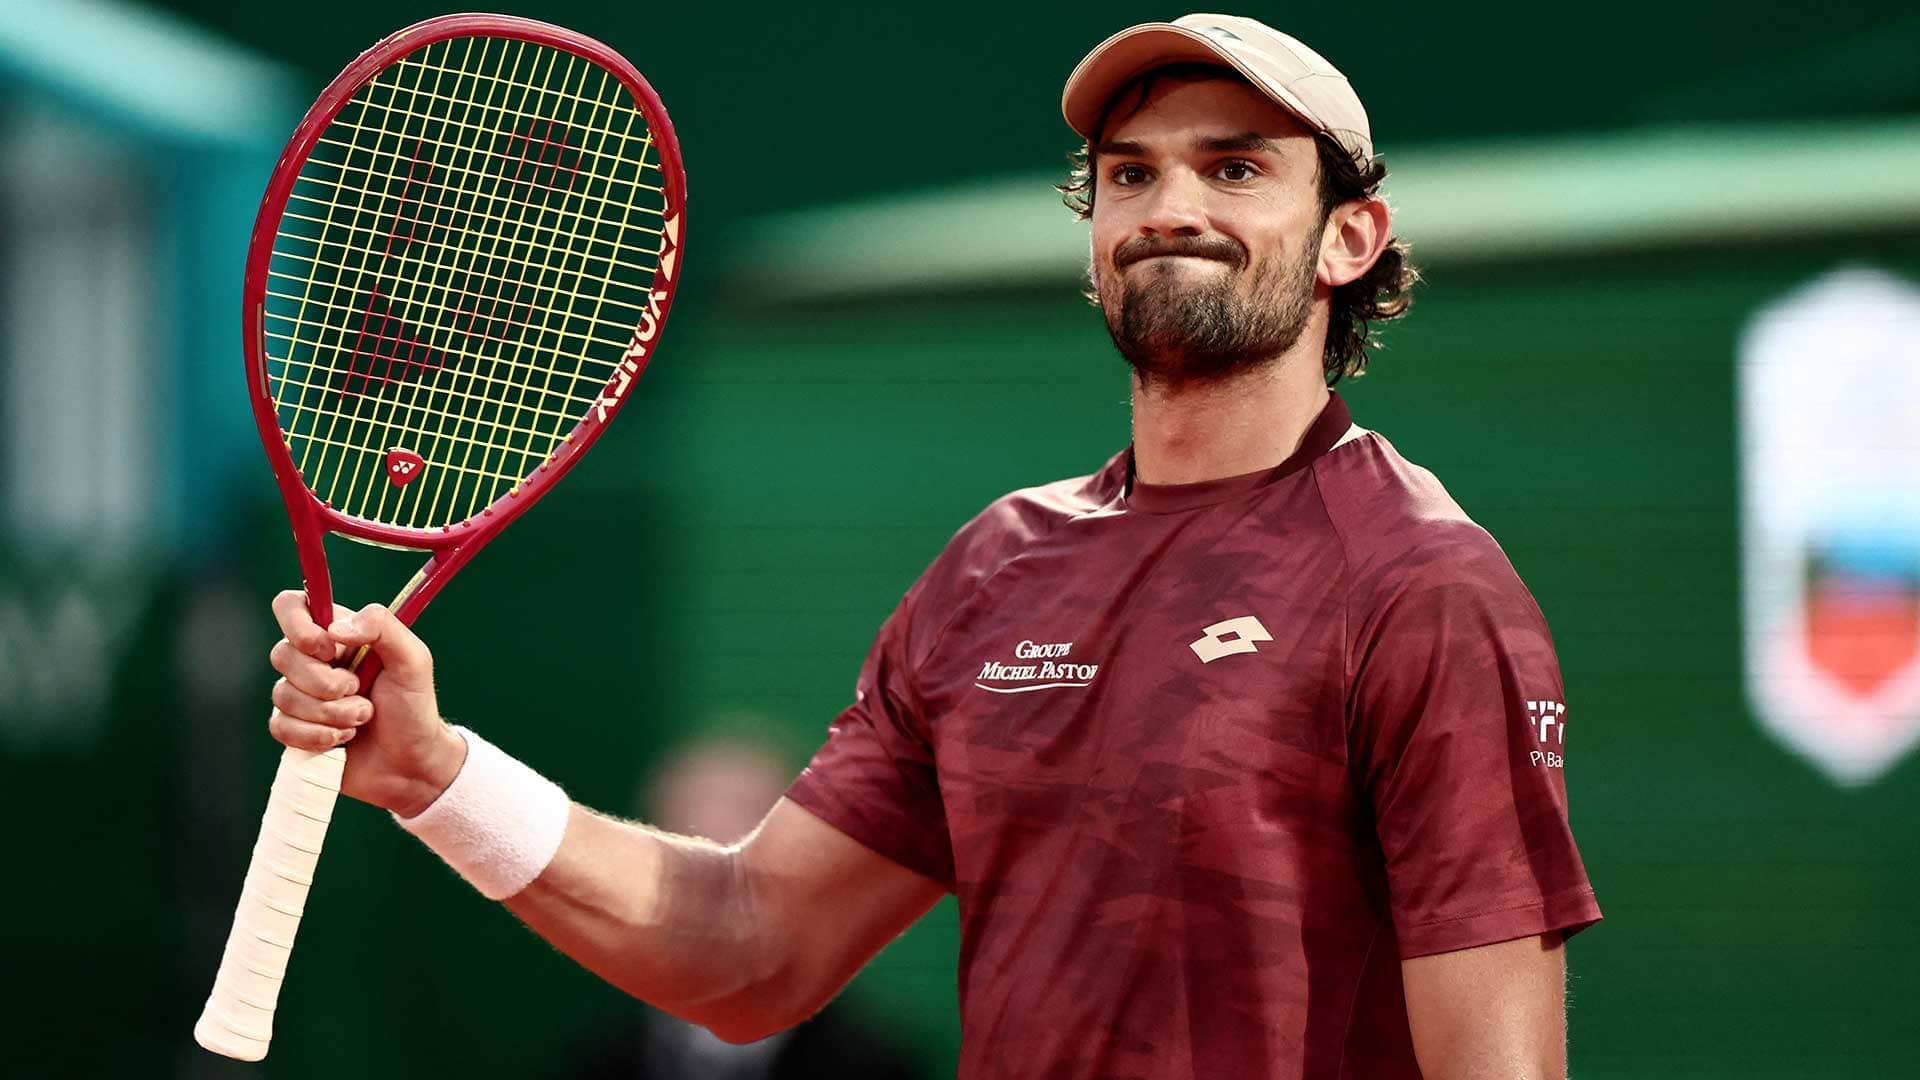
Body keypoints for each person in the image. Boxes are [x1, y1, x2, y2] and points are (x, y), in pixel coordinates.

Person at [262, 14, 1601, 1079]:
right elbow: (749, 949)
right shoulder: (998, 567)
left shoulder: (1422, 585)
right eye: (1130, 174)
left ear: (1349, 240)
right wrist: (434, 773)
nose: (1169, 206)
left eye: (1235, 168)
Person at [563, 735, 920, 1080]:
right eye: (685, 843)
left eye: (747, 819)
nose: (716, 832)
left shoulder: (877, 1066)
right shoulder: (596, 1063)